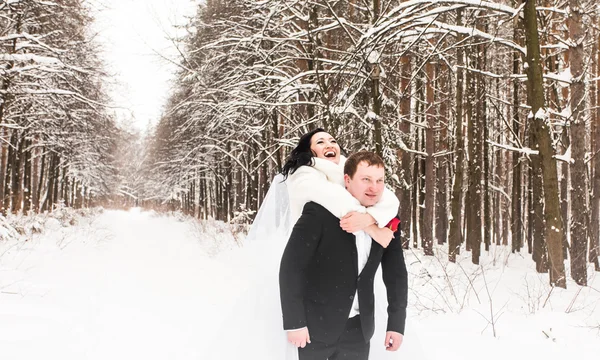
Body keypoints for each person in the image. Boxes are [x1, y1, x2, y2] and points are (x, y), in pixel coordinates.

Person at [279, 151, 408, 360]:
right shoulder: (318, 212)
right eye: (366, 179)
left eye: (379, 180)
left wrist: (396, 323)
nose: (374, 188)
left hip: (359, 331)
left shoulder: (387, 219)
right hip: (313, 329)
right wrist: (295, 323)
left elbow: (396, 275)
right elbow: (291, 268)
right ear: (347, 180)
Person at [281, 128, 399, 248]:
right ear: (308, 151)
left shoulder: (345, 168)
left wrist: (370, 218)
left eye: (333, 141)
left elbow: (388, 199)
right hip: (315, 246)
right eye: (320, 142)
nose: (329, 145)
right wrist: (373, 229)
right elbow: (336, 199)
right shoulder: (301, 176)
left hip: (350, 246)